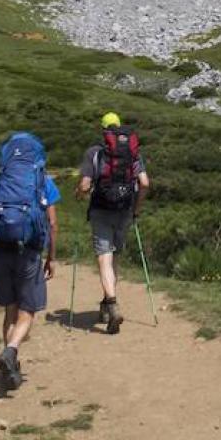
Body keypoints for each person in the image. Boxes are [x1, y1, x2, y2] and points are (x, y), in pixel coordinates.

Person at [0, 131, 59, 389]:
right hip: (29, 252)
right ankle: (11, 350)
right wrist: (51, 258)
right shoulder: (43, 181)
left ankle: (10, 366)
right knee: (28, 309)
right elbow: (52, 223)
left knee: (10, 309)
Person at [75, 111, 149, 334]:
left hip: (101, 210)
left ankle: (112, 303)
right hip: (125, 210)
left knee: (104, 257)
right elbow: (144, 183)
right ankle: (107, 303)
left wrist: (79, 193)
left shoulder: (94, 153)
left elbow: (86, 185)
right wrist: (136, 209)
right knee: (114, 256)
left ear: (103, 129)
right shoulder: (133, 153)